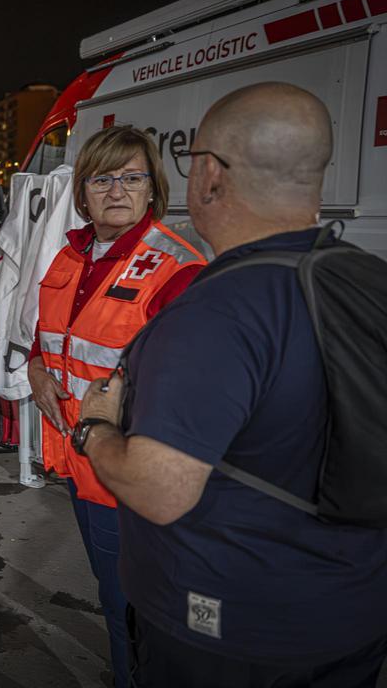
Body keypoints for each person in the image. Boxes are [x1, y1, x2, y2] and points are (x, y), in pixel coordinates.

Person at [78, 83, 387, 687]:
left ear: (211, 176)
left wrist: (96, 428)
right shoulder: (367, 280)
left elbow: (160, 490)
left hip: (228, 630)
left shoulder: (212, 314)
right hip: (354, 612)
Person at [26, 125, 204, 688]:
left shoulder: (177, 267)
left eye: (133, 177)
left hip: (128, 471)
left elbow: (193, 388)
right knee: (112, 588)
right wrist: (34, 370)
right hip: (79, 460)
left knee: (128, 601)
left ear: (154, 189)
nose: (118, 190)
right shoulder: (69, 254)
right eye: (103, 178)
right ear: (82, 193)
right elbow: (47, 339)